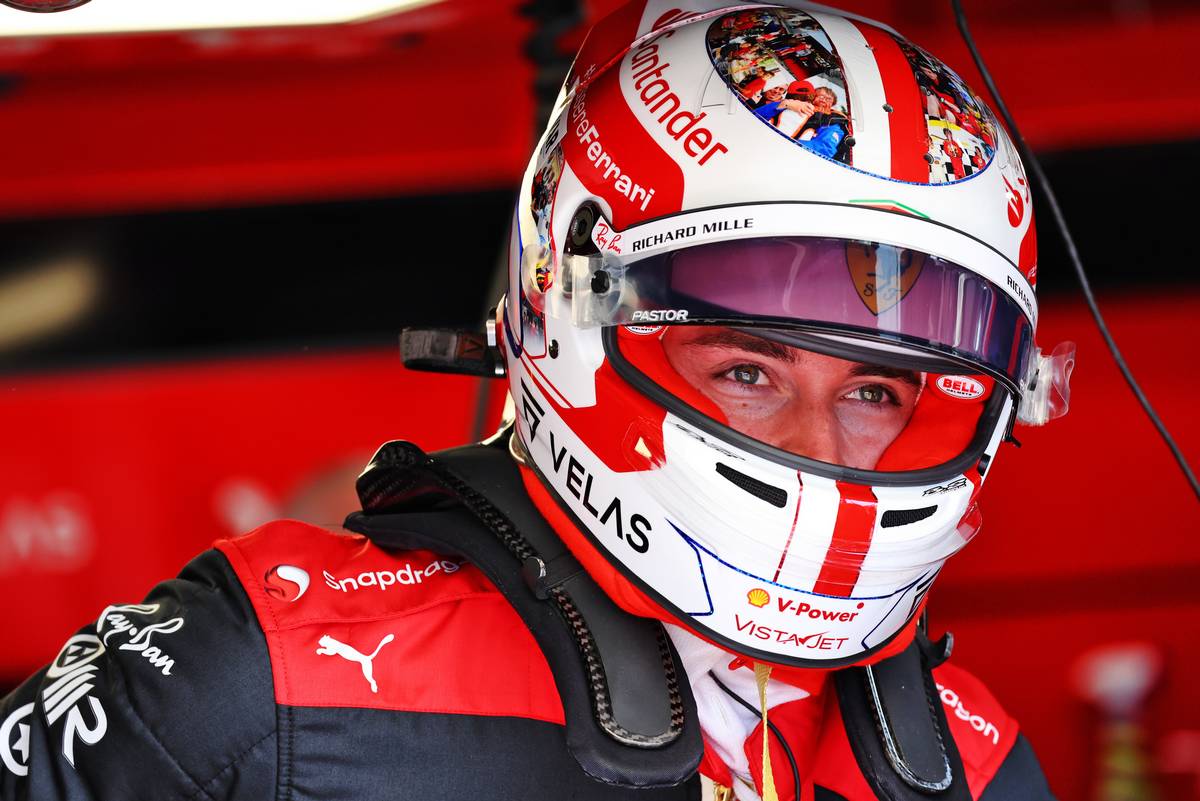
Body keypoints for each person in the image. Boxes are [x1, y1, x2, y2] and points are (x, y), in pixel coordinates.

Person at [0, 2, 1073, 799]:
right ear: (572, 310)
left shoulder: (966, 759)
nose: (816, 441)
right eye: (748, 371)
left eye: (876, 391)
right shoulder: (265, 668)